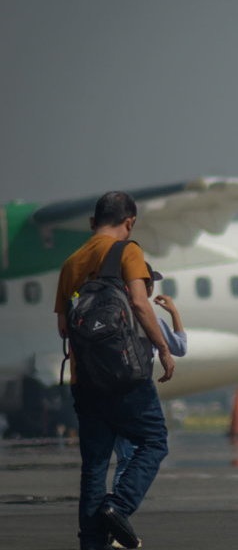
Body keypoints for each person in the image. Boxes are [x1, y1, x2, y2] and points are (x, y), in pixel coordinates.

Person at [55, 191, 175, 550]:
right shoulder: (128, 251)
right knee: (154, 440)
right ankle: (117, 505)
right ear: (129, 222)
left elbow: (64, 327)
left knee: (93, 464)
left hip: (85, 379)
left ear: (93, 223)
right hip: (125, 373)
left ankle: (92, 543)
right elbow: (139, 303)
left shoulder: (71, 263)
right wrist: (165, 350)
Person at [113, 263, 187, 489]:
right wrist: (174, 312)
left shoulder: (112, 315)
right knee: (140, 451)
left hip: (104, 388)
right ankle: (116, 506)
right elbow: (180, 347)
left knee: (113, 455)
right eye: (149, 282)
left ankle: (107, 507)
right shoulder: (152, 320)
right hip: (135, 390)